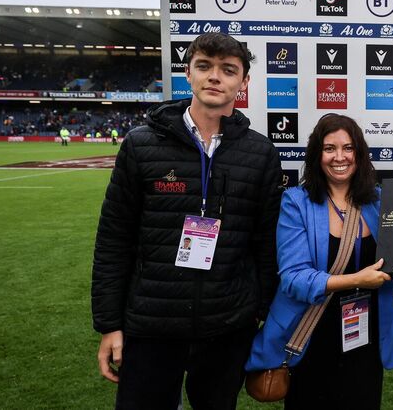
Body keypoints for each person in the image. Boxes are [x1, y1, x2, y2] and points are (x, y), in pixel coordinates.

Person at [92, 32, 283, 410]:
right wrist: (109, 325)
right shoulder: (141, 144)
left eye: (228, 70)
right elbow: (114, 239)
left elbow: (266, 244)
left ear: (244, 82)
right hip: (151, 323)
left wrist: (263, 315)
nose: (215, 76)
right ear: (188, 73)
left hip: (227, 325)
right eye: (204, 66)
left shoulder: (260, 152)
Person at [245, 114, 393, 410]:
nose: (339, 157)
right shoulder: (296, 202)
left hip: (365, 334)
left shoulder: (380, 201)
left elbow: (391, 262)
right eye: (329, 148)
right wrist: (356, 280)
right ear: (316, 155)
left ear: (359, 153)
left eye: (348, 148)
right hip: (312, 333)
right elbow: (293, 278)